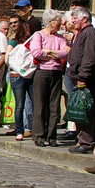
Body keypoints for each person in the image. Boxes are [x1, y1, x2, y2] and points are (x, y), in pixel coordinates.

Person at [66, 6, 95, 154]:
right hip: (80, 78)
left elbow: (89, 58)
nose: (72, 21)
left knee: (85, 111)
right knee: (81, 111)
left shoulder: (90, 33)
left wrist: (83, 77)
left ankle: (87, 142)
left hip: (87, 80)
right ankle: (82, 140)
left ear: (84, 18)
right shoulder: (82, 33)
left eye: (75, 18)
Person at [29, 9, 69, 147]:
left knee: (54, 106)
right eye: (58, 21)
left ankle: (51, 136)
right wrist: (56, 54)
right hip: (42, 73)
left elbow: (66, 53)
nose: (61, 24)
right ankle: (39, 135)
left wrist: (50, 52)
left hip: (56, 72)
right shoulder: (38, 35)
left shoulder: (60, 37)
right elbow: (37, 52)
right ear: (50, 22)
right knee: (40, 105)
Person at [4, 19, 35, 141]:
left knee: (28, 103)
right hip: (20, 75)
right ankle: (20, 130)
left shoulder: (33, 42)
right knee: (21, 104)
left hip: (25, 75)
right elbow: (7, 58)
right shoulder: (14, 42)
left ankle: (26, 129)